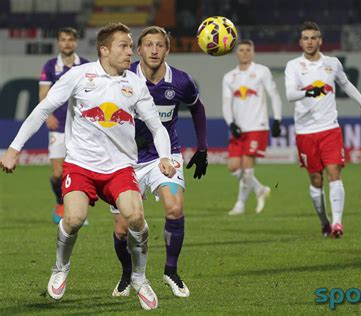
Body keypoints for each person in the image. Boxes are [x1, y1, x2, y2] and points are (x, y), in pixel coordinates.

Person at [0, 23, 176, 310]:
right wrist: (14, 148)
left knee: (136, 218)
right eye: (124, 46)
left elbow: (157, 126)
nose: (130, 51)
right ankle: (61, 267)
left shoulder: (135, 83)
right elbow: (42, 109)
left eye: (131, 46)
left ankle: (140, 277)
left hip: (120, 167)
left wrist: (165, 157)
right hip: (81, 165)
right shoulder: (79, 76)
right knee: (73, 219)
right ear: (104, 50)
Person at [110, 26, 207, 298]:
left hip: (165, 156)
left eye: (160, 45)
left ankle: (171, 271)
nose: (154, 50)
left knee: (174, 209)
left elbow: (197, 108)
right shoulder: (122, 80)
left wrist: (202, 147)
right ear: (138, 50)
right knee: (121, 228)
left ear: (168, 49)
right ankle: (127, 274)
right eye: (148, 45)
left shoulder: (181, 81)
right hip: (125, 160)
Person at [285, 21, 361, 238]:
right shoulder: (293, 66)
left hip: (330, 128)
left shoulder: (332, 63)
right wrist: (308, 93)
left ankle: (337, 223)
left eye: (313, 37)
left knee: (334, 173)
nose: (309, 42)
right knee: (316, 180)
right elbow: (289, 94)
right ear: (300, 42)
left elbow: (345, 84)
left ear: (320, 40)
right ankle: (324, 222)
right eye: (305, 38)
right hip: (305, 131)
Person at [222, 40, 282, 215]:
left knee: (247, 167)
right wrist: (231, 123)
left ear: (253, 52)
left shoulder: (261, 71)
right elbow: (226, 103)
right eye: (241, 50)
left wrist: (277, 119)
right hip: (239, 128)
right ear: (237, 53)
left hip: (257, 125)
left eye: (248, 50)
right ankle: (260, 189)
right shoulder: (229, 77)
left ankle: (240, 205)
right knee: (233, 167)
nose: (245, 53)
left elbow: (274, 95)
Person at [38, 27, 89, 223]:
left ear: (75, 42)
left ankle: (77, 211)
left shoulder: (85, 65)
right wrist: (47, 115)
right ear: (58, 43)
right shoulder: (51, 66)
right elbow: (43, 95)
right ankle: (60, 201)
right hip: (58, 126)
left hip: (80, 128)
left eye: (70, 40)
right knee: (58, 173)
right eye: (63, 39)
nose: (67, 43)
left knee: (81, 171)